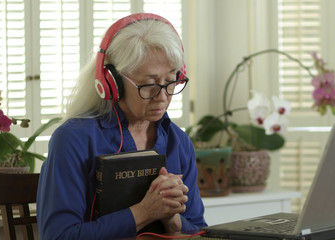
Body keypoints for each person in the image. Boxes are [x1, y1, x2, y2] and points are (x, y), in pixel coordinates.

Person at [36, 13, 207, 239]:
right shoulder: (73, 139)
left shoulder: (179, 142)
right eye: (149, 84)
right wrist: (144, 212)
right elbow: (59, 236)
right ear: (112, 82)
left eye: (171, 81)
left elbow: (199, 230)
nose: (163, 97)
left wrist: (171, 217)